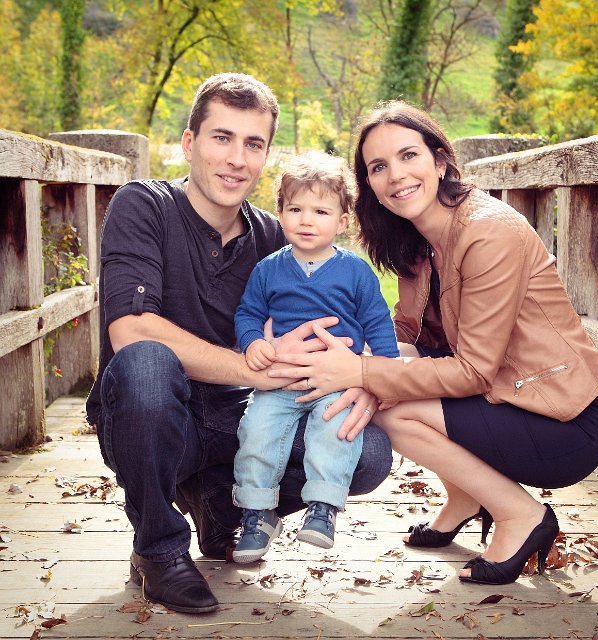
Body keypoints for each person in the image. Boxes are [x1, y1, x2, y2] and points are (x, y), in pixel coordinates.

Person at [267, 101, 598, 586]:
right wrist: (346, 354)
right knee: (382, 373)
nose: (396, 175)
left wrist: (362, 374)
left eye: (409, 156)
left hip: (561, 416)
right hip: (503, 396)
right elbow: (403, 339)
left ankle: (520, 514)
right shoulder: (416, 239)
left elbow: (472, 371)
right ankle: (467, 497)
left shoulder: (490, 232)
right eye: (379, 167)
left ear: (440, 160)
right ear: (369, 186)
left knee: (391, 406)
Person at [85, 74, 392, 614]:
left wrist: (365, 376)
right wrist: (252, 369)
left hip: (240, 424)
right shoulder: (144, 206)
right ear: (189, 143)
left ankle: (224, 507)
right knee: (147, 363)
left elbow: (340, 324)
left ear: (266, 155)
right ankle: (156, 547)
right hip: (159, 421)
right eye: (221, 138)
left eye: (253, 144)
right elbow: (129, 329)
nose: (235, 159)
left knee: (366, 452)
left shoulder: (279, 239)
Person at [232, 152, 399, 563]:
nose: (307, 220)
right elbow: (249, 313)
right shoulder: (269, 269)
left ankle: (323, 508)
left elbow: (378, 323)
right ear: (281, 214)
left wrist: (387, 373)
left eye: (321, 211)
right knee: (256, 431)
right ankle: (257, 512)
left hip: (337, 381)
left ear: (342, 222)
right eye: (296, 209)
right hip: (282, 379)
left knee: (335, 431)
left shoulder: (356, 272)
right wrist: (254, 342)